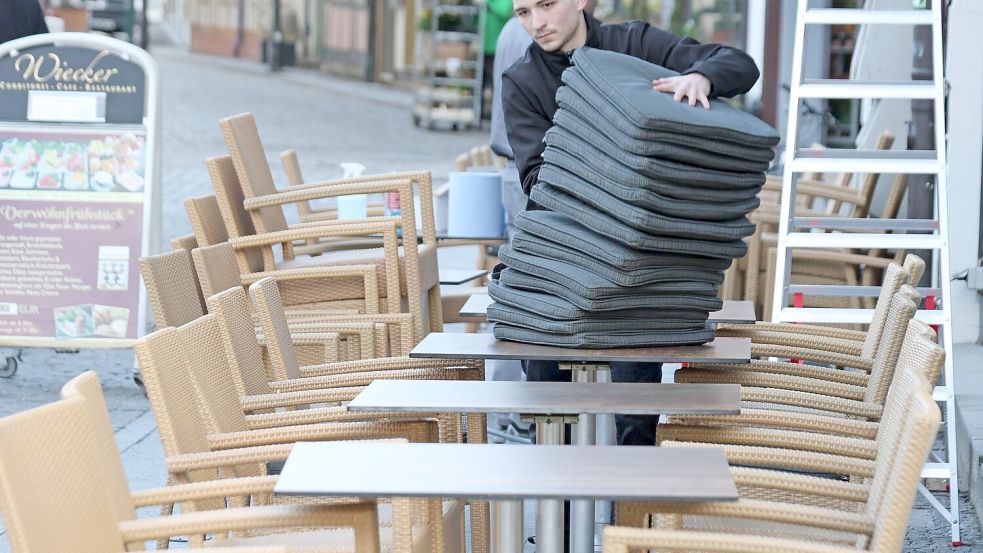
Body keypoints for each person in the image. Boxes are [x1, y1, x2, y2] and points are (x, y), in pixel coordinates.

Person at [502, 0, 759, 447]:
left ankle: (632, 513)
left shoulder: (637, 44)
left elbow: (738, 63)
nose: (536, 23)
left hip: (642, 264)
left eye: (546, 5)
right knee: (549, 413)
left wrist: (702, 77)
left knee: (636, 414)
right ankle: (556, 512)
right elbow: (537, 180)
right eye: (523, 12)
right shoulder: (522, 81)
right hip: (563, 261)